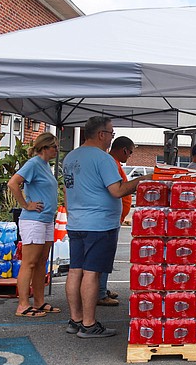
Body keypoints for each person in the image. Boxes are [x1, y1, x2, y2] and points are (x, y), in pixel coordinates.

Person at [62, 117, 143, 338]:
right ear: (101, 135)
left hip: (77, 222)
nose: (111, 138)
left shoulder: (70, 157)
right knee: (91, 273)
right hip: (99, 225)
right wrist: (143, 179)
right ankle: (88, 324)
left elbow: (67, 191)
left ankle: (75, 320)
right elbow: (117, 191)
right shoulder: (103, 159)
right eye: (111, 134)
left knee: (75, 271)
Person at [7, 132, 61, 318]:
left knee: (41, 262)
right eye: (54, 146)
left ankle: (39, 301)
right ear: (45, 147)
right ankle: (23, 305)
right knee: (29, 263)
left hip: (46, 219)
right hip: (33, 220)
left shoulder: (45, 166)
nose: (57, 150)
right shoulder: (33, 164)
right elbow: (13, 183)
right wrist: (25, 204)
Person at [96, 136, 136, 307]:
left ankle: (102, 289)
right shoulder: (111, 164)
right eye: (131, 153)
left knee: (106, 257)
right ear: (124, 150)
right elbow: (117, 190)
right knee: (104, 257)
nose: (130, 156)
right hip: (109, 220)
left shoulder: (115, 164)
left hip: (114, 218)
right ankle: (100, 293)